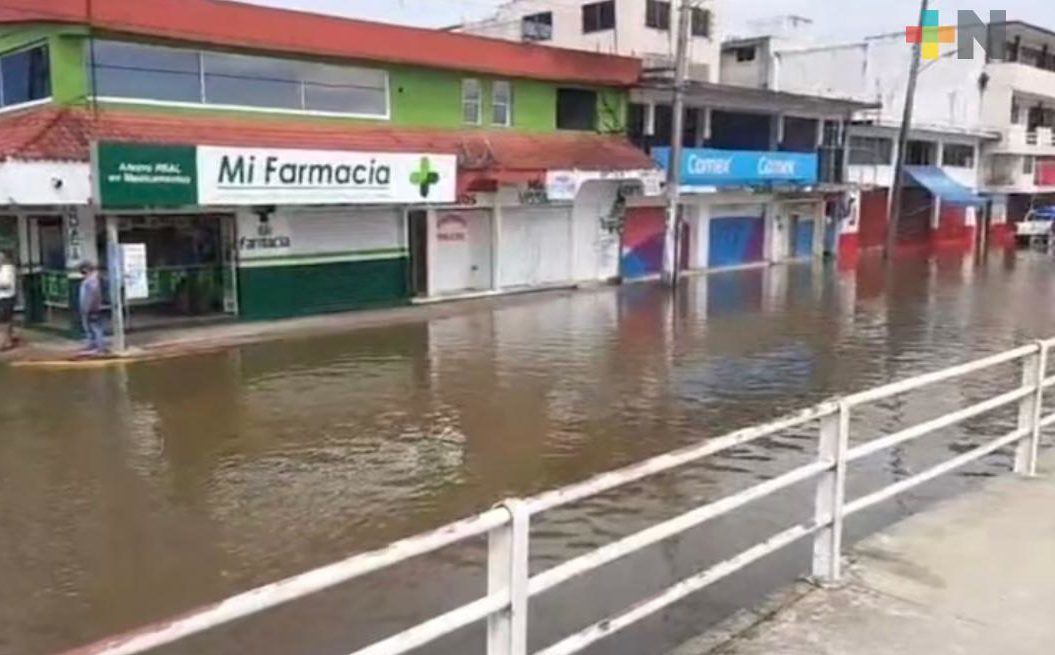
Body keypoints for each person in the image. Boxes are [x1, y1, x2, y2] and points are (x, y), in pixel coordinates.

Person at [79, 261, 106, 354]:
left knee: (95, 328)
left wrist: (90, 308)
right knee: (90, 328)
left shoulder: (92, 281)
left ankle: (99, 348)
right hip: (89, 308)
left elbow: (94, 296)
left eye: (83, 272)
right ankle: (93, 345)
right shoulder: (90, 280)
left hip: (93, 309)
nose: (82, 274)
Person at [0, 252, 16, 351]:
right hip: (2, 298)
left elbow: (6, 285)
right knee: (5, 320)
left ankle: (4, 342)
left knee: (4, 321)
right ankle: (7, 341)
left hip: (6, 298)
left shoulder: (8, 269)